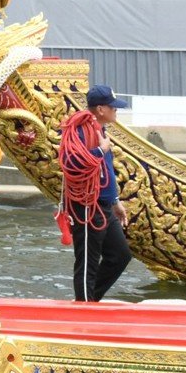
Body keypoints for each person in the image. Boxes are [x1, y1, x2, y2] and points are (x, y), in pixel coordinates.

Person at [57, 84, 133, 302]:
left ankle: (90, 300)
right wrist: (100, 150)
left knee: (120, 255)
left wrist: (115, 201)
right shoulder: (81, 131)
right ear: (101, 109)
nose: (116, 111)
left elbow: (105, 171)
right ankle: (84, 306)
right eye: (113, 107)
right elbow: (70, 163)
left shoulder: (100, 131)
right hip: (86, 205)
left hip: (103, 204)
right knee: (88, 262)